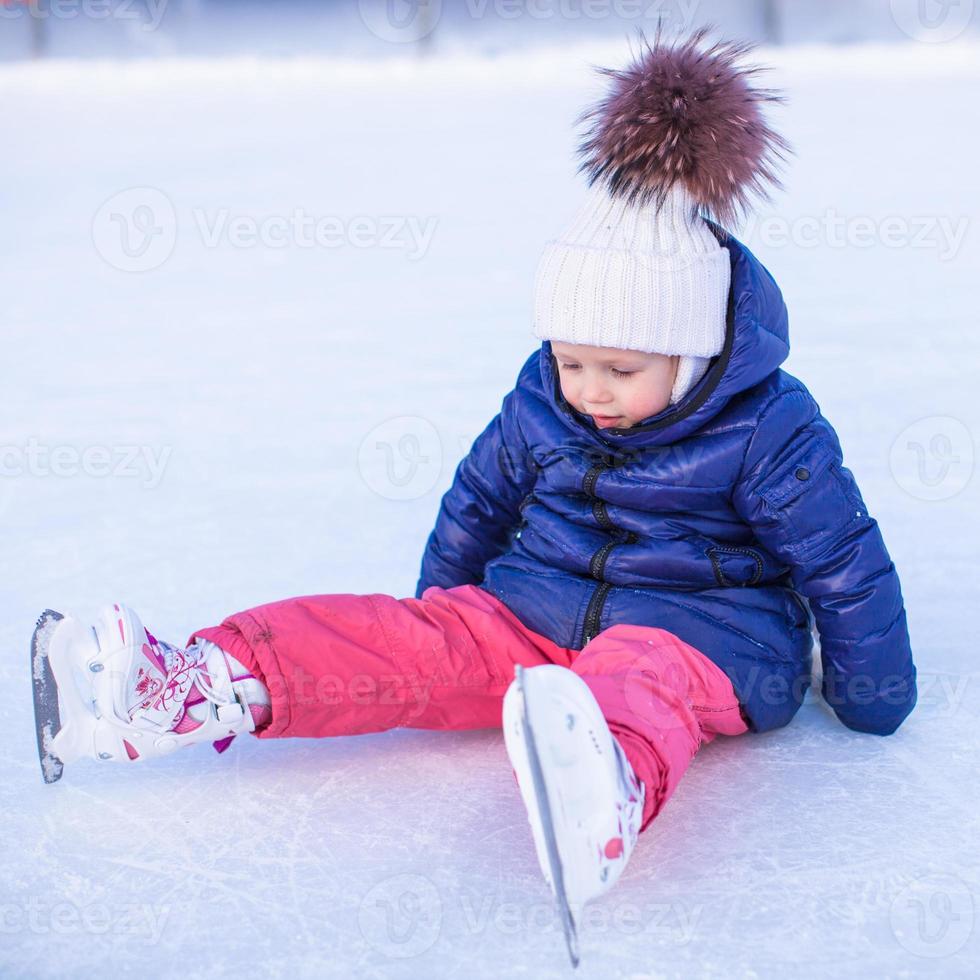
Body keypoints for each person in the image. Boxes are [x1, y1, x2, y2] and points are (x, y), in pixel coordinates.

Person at [31, 29, 917, 953]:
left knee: (637, 672)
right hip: (533, 613)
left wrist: (872, 695)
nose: (590, 390)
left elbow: (842, 559)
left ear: (693, 357)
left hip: (709, 637)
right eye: (572, 361)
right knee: (403, 638)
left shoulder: (769, 428)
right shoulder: (544, 399)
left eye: (621, 367)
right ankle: (195, 681)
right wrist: (436, 620)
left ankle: (602, 778)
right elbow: (478, 500)